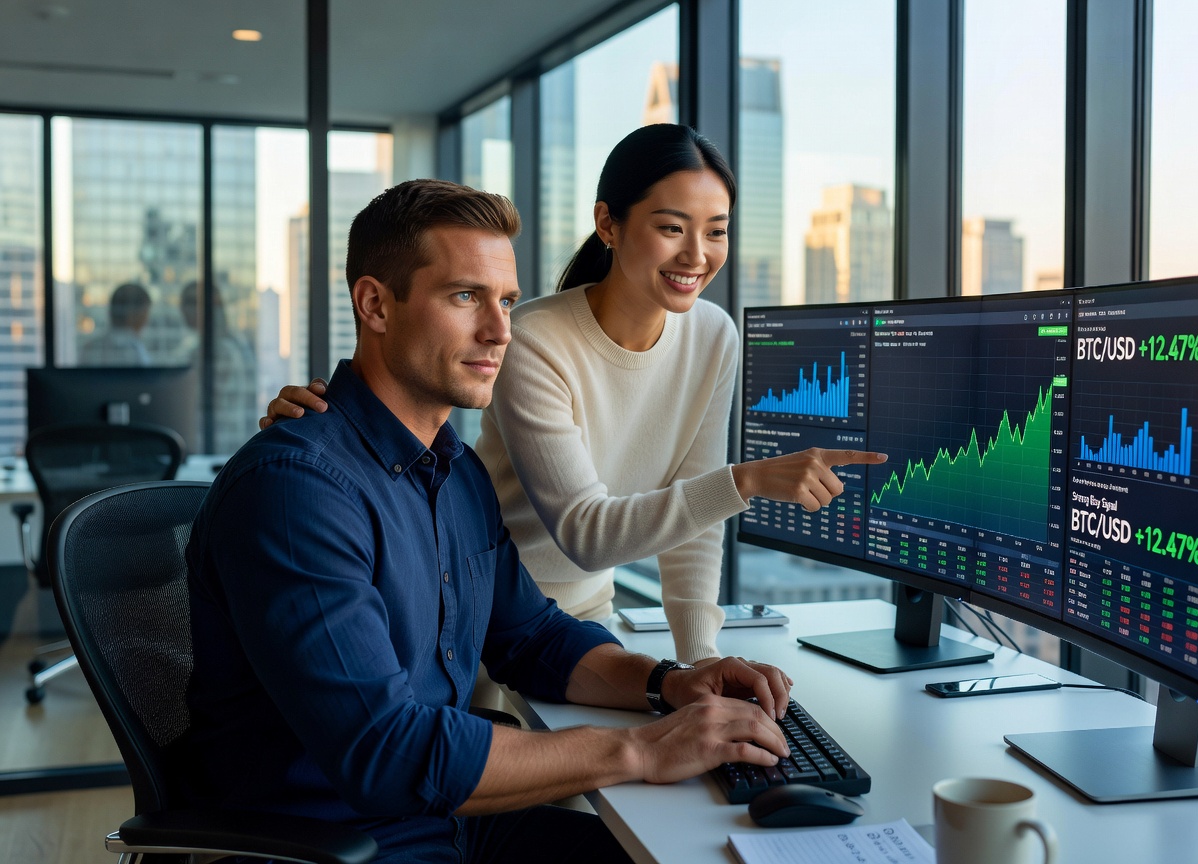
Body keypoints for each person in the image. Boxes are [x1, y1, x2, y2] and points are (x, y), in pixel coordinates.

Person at [178, 178, 796, 864]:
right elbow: (386, 754)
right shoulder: (297, 491)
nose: (502, 330)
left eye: (506, 301)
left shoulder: (456, 472)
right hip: (338, 844)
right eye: (466, 296)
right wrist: (642, 748)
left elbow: (532, 637)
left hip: (451, 823)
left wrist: (668, 683)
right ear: (375, 304)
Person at [264, 124, 885, 665]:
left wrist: (699, 658)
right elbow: (587, 535)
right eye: (671, 227)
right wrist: (744, 482)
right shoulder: (532, 340)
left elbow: (693, 521)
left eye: (716, 231)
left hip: (582, 631)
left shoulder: (713, 335)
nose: (697, 255)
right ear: (608, 224)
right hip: (487, 623)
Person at [180, 280, 259, 453]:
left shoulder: (219, 350)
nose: (184, 309)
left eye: (191, 303)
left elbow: (197, 404)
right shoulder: (232, 343)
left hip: (216, 449)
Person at [80, 281, 152, 365]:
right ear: (133, 314)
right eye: (146, 313)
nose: (147, 320)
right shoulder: (134, 352)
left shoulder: (91, 348)